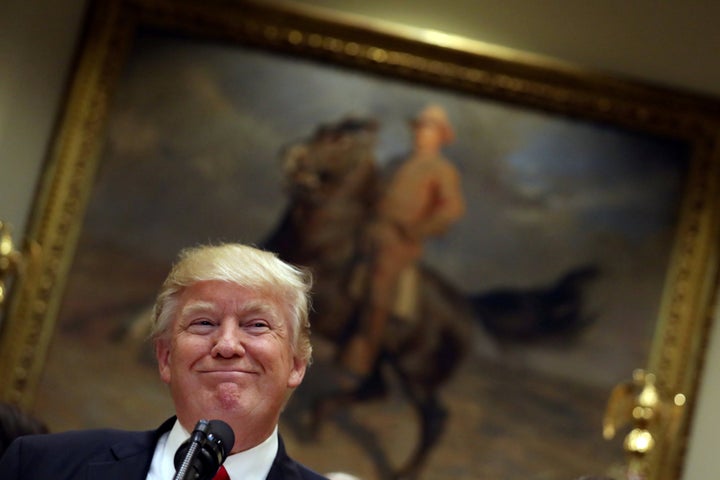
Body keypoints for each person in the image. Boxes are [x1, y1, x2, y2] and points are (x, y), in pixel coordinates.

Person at [0, 243, 329, 480]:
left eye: (256, 325)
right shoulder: (39, 465)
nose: (227, 345)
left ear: (297, 363)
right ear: (165, 357)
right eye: (203, 323)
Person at [341, 104, 466, 379]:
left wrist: (418, 228)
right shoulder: (398, 162)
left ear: (440, 136)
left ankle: (365, 350)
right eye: (419, 127)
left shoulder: (442, 170)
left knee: (380, 280)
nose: (421, 133)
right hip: (373, 229)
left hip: (400, 241)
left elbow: (451, 209)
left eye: (428, 129)